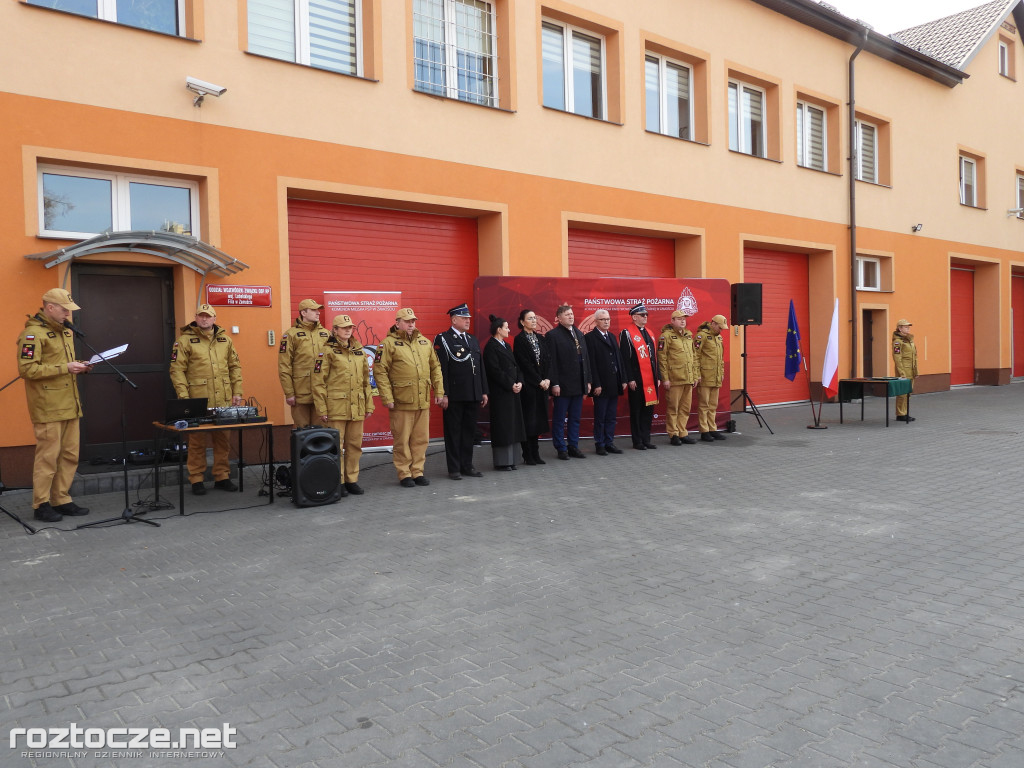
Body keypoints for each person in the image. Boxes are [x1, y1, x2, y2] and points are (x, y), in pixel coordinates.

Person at [16, 288, 93, 522]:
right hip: (48, 406)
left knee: (69, 455)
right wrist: (66, 368)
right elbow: (27, 370)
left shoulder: (65, 332)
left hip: (70, 403)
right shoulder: (32, 335)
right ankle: (41, 504)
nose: (68, 314)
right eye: (64, 309)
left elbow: (63, 363)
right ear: (50, 308)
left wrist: (81, 365)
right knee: (48, 458)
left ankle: (61, 499)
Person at [169, 304, 244, 494]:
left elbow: (235, 367)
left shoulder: (225, 340)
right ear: (196, 317)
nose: (204, 319)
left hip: (223, 399)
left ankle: (222, 476)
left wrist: (237, 392)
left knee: (223, 440)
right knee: (196, 441)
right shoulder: (184, 341)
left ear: (214, 318)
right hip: (197, 400)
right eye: (201, 316)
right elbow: (177, 370)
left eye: (208, 316)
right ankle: (196, 479)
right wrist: (184, 398)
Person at [375, 307, 444, 487]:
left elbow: (435, 367)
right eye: (407, 321)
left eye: (413, 321)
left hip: (422, 401)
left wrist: (439, 392)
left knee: (421, 440)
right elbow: (380, 372)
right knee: (402, 440)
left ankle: (418, 472)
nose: (411, 324)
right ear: (397, 323)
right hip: (401, 401)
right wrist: (387, 397)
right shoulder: (387, 344)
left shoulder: (424, 342)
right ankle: (404, 473)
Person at [312, 314, 374, 496]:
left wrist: (368, 405)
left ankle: (351, 480)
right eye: (344, 327)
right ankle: (337, 481)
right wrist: (322, 408)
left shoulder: (358, 351)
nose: (348, 330)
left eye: (350, 327)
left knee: (355, 446)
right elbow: (318, 382)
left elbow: (365, 381)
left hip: (357, 406)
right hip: (336, 407)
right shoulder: (327, 351)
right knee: (335, 447)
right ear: (335, 330)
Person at [433, 303, 488, 480]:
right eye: (464, 318)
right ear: (454, 319)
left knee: (469, 432)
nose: (467, 321)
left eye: (468, 319)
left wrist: (483, 391)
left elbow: (480, 367)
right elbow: (442, 369)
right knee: (453, 432)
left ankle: (467, 465)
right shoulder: (443, 339)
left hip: (472, 394)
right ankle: (454, 468)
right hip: (455, 395)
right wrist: (444, 393)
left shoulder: (472, 339)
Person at [547, 304, 592, 460]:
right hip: (563, 385)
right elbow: (551, 362)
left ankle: (573, 445)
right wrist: (555, 383)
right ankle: (561, 448)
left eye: (572, 314)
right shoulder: (553, 335)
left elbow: (585, 359)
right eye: (567, 314)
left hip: (579, 384)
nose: (570, 317)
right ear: (558, 318)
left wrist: (588, 381)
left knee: (575, 418)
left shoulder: (579, 333)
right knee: (560, 419)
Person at [278, 298, 331, 428]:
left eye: (318, 310)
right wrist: (289, 393)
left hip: (323, 392)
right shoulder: (290, 335)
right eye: (314, 310)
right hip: (300, 391)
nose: (318, 313)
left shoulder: (326, 334)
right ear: (303, 313)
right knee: (302, 432)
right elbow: (284, 365)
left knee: (321, 433)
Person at [482, 315, 526, 470]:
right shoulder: (490, 347)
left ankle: (513, 460)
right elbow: (495, 371)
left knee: (513, 425)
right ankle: (502, 462)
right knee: (503, 426)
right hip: (501, 393)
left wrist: (520, 381)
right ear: (498, 329)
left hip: (513, 392)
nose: (509, 330)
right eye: (506, 327)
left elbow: (516, 366)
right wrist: (510, 384)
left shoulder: (506, 346)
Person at [584, 309, 626, 455]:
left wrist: (623, 379)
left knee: (611, 416)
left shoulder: (612, 337)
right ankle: (599, 443)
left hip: (613, 382)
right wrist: (596, 383)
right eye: (603, 319)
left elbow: (619, 360)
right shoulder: (590, 338)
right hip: (601, 384)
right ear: (596, 321)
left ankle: (609, 442)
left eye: (608, 319)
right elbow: (591, 363)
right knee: (600, 416)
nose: (606, 321)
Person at [513, 309, 551, 465]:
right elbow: (524, 364)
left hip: (542, 386)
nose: (534, 321)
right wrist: (538, 380)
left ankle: (536, 453)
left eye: (535, 318)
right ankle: (527, 454)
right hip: (529, 386)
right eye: (530, 318)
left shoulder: (540, 338)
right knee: (529, 421)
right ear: (522, 322)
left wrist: (547, 378)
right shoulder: (520, 339)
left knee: (538, 422)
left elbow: (547, 359)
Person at [619, 303, 660, 450]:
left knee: (648, 410)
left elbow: (654, 357)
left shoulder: (649, 332)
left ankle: (646, 438)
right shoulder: (627, 333)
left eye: (646, 315)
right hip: (637, 379)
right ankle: (637, 441)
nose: (645, 317)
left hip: (651, 379)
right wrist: (629, 378)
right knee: (636, 411)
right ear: (634, 317)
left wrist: (658, 376)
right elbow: (625, 359)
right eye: (642, 315)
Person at [659, 310, 699, 445]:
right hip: (674, 379)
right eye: (679, 319)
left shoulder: (688, 336)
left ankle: (683, 432)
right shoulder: (666, 336)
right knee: (673, 408)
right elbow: (662, 359)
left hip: (688, 378)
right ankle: (673, 434)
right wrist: (665, 378)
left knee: (685, 408)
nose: (683, 321)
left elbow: (694, 357)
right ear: (672, 321)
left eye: (684, 319)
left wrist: (695, 375)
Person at [693, 313, 729, 442]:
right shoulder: (701, 336)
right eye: (720, 327)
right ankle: (704, 431)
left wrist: (722, 372)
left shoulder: (719, 338)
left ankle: (712, 429)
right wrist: (696, 375)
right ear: (713, 324)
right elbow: (695, 356)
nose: (721, 330)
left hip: (716, 376)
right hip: (705, 377)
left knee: (713, 405)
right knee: (704, 405)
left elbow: (721, 358)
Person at [892, 318, 918, 422]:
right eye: (905, 327)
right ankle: (900, 414)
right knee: (902, 394)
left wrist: (916, 371)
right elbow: (897, 358)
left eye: (908, 327)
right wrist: (901, 373)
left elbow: (914, 357)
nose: (908, 328)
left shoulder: (909, 340)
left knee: (908, 393)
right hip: (904, 371)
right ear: (899, 328)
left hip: (911, 370)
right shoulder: (897, 342)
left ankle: (905, 413)